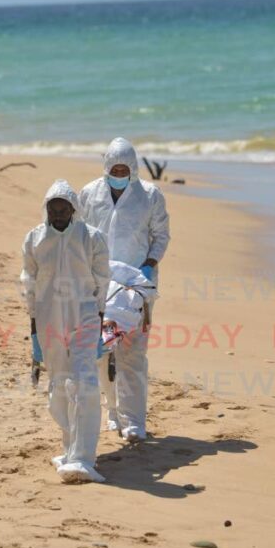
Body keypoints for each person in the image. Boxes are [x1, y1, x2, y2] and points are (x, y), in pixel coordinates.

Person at [79, 137, 170, 443]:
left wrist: (149, 263)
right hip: (100, 284)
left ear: (133, 167)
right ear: (106, 167)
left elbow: (161, 235)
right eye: (114, 167)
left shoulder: (150, 195)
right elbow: (81, 236)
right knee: (103, 350)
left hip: (136, 286)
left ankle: (134, 423)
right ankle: (113, 411)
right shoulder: (89, 194)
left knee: (133, 353)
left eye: (124, 168)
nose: (119, 172)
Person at [21, 180, 111, 484]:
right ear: (46, 208)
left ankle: (84, 459)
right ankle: (69, 449)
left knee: (84, 382)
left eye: (64, 207)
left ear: (74, 209)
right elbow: (29, 284)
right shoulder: (34, 239)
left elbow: (102, 279)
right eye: (53, 207)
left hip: (85, 314)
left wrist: (98, 320)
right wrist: (34, 329)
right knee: (59, 385)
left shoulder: (91, 238)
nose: (58, 213)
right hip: (48, 319)